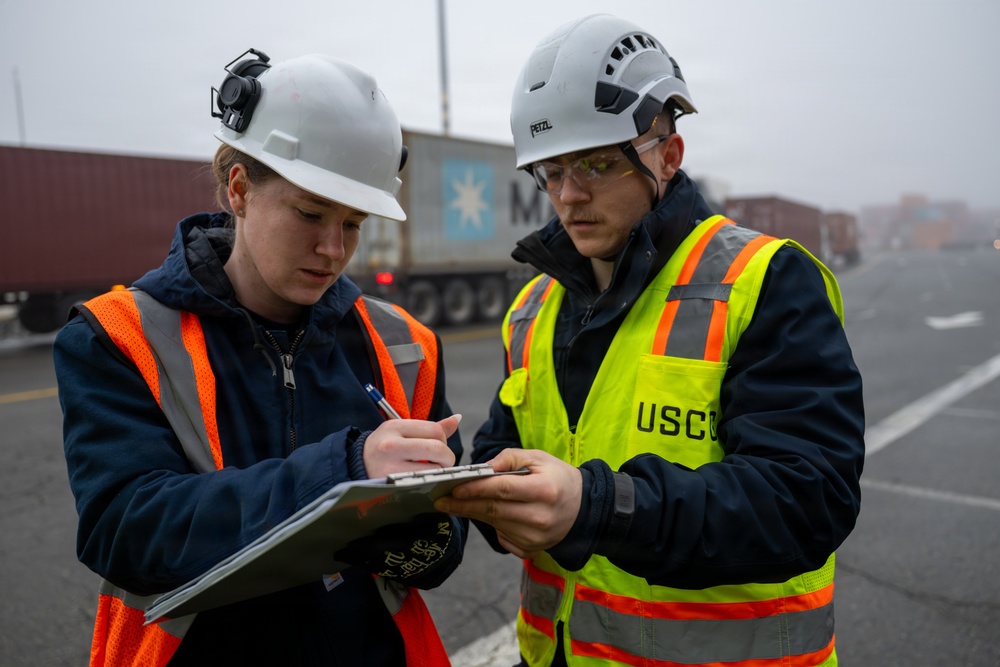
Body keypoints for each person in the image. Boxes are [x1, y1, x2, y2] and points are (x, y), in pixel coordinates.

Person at [435, 13, 864, 667]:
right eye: (550, 170)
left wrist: (596, 508)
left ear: (669, 153)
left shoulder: (764, 280)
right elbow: (503, 444)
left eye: (597, 163)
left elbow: (807, 499)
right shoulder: (531, 309)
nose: (568, 195)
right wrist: (492, 502)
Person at [55, 48, 465, 667]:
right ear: (240, 189)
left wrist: (420, 521)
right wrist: (347, 475)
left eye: (354, 223)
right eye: (310, 213)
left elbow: (443, 549)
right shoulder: (117, 336)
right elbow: (126, 531)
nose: (333, 249)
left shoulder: (405, 344)